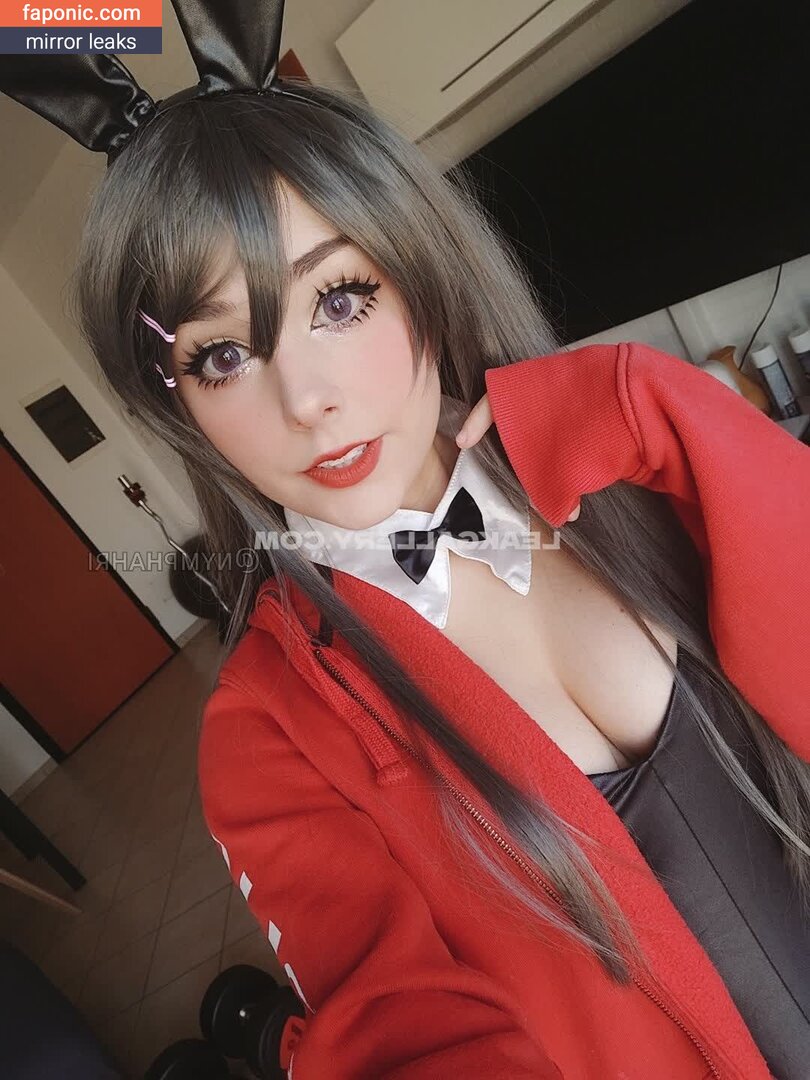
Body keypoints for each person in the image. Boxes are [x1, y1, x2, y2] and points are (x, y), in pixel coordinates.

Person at [4, 5, 809, 1076]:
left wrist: (671, 414)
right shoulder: (263, 734)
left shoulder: (632, 465)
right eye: (222, 356)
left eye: (339, 299)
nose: (307, 400)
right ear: (178, 404)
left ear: (418, 270)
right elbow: (404, 1037)